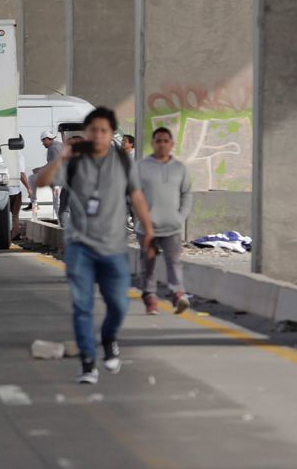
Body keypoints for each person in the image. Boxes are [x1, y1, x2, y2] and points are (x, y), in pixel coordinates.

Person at [35, 106, 155, 385]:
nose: (98, 135)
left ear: (112, 134)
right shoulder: (74, 161)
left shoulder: (124, 163)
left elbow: (136, 197)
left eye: (104, 130)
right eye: (93, 130)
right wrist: (61, 158)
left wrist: (149, 231)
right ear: (86, 134)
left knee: (118, 304)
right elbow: (40, 181)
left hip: (113, 247)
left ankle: (109, 338)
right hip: (80, 246)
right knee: (82, 305)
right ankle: (88, 362)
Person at [136, 125, 194, 315]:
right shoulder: (141, 167)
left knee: (174, 261)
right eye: (158, 141)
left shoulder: (180, 168)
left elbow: (186, 195)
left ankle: (178, 294)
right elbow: (133, 195)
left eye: (165, 141)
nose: (162, 144)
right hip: (147, 227)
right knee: (148, 263)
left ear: (172, 144)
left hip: (172, 226)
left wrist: (181, 217)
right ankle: (150, 298)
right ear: (152, 143)